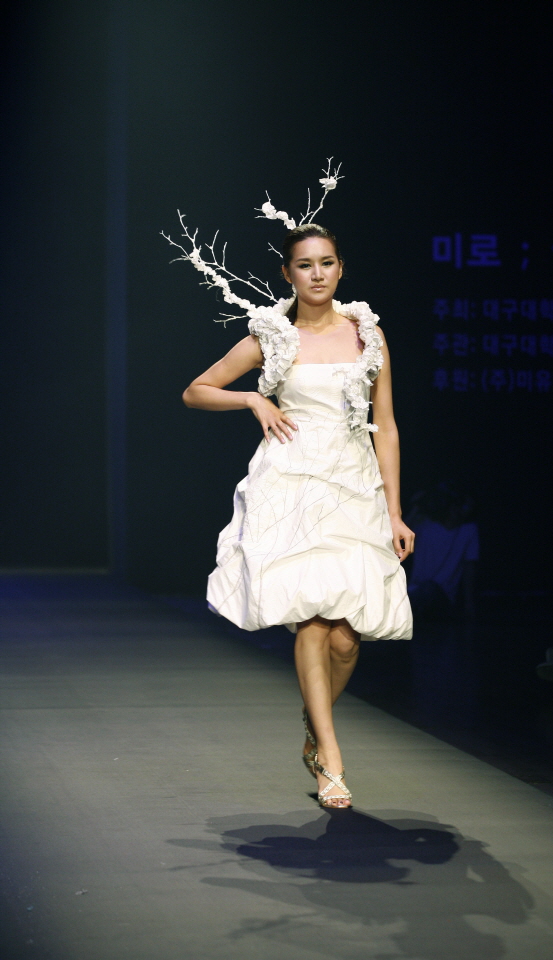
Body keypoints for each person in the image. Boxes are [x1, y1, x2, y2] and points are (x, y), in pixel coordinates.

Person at [181, 222, 414, 808]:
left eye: (326, 262)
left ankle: (315, 724)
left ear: (341, 268)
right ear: (288, 273)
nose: (317, 274)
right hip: (291, 484)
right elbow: (196, 390)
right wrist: (252, 398)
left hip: (354, 485)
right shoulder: (273, 336)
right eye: (305, 265)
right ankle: (331, 760)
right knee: (312, 618)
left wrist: (394, 512)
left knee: (347, 638)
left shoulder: (367, 334)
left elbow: (385, 426)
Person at [407, 483, 478, 620]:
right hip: (414, 591)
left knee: (428, 590)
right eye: (462, 505)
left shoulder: (468, 531)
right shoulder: (425, 526)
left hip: (443, 596)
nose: (465, 510)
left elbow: (470, 568)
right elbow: (395, 537)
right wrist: (417, 506)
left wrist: (469, 605)